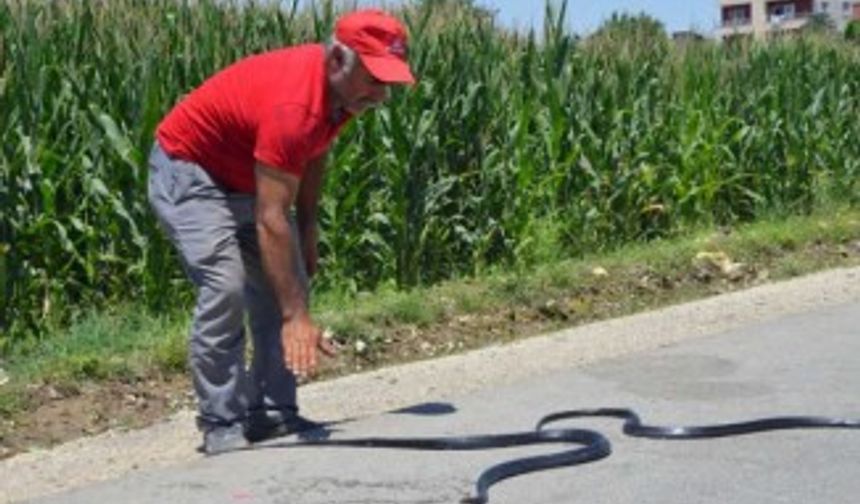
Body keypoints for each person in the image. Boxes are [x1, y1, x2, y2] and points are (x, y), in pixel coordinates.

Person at [147, 9, 416, 454]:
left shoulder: (343, 93)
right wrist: (296, 316)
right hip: (192, 173)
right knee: (226, 286)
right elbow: (271, 217)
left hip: (248, 176)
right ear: (336, 60)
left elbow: (314, 151)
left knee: (286, 279)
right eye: (374, 78)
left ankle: (271, 414)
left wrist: (308, 227)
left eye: (389, 81)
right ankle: (221, 422)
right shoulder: (294, 104)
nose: (382, 93)